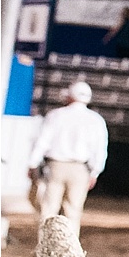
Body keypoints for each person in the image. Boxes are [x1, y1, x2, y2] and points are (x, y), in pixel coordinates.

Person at [28, 82, 110, 226]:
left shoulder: (56, 115)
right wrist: (95, 172)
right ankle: (69, 247)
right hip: (80, 169)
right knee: (73, 211)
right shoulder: (96, 120)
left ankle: (46, 245)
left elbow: (43, 141)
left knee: (49, 209)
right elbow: (100, 149)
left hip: (56, 166)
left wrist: (33, 163)